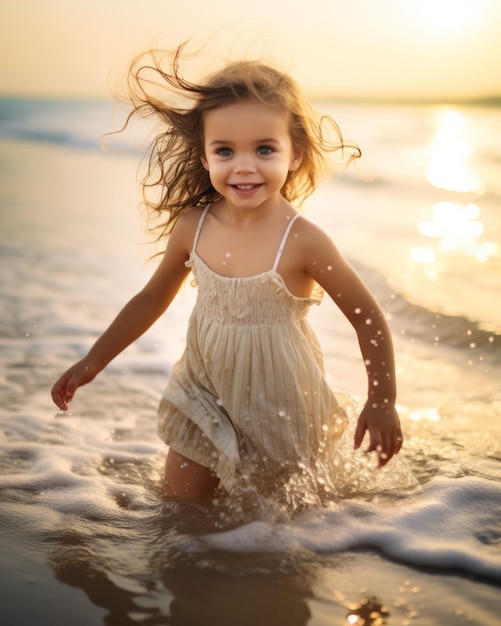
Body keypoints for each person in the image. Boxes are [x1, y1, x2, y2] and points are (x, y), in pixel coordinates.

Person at [51, 43, 403, 502]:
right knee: (180, 510)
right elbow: (151, 300)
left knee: (278, 536)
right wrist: (92, 361)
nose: (243, 166)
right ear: (204, 157)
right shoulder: (192, 227)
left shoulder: (302, 240)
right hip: (203, 392)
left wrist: (382, 401)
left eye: (263, 149)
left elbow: (368, 317)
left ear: (293, 154)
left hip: (281, 406)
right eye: (225, 150)